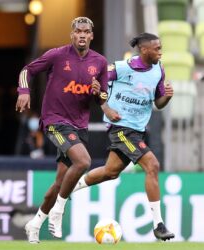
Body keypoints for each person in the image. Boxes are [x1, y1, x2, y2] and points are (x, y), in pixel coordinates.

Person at [73, 33, 175, 241]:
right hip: (121, 127)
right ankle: (159, 225)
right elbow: (95, 84)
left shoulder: (159, 70)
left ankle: (68, 187)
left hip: (138, 129)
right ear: (145, 50)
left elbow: (158, 103)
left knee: (110, 172)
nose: (160, 52)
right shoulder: (120, 68)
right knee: (152, 166)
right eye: (157, 49)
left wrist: (167, 97)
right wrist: (106, 107)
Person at [16, 17, 108, 243]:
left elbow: (104, 97)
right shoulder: (57, 55)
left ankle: (35, 223)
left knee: (60, 182)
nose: (82, 35)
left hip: (79, 126)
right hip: (55, 120)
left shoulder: (101, 62)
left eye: (86, 31)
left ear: (92, 36)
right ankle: (58, 211)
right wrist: (24, 91)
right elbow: (27, 71)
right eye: (78, 31)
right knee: (84, 162)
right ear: (72, 34)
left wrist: (99, 93)